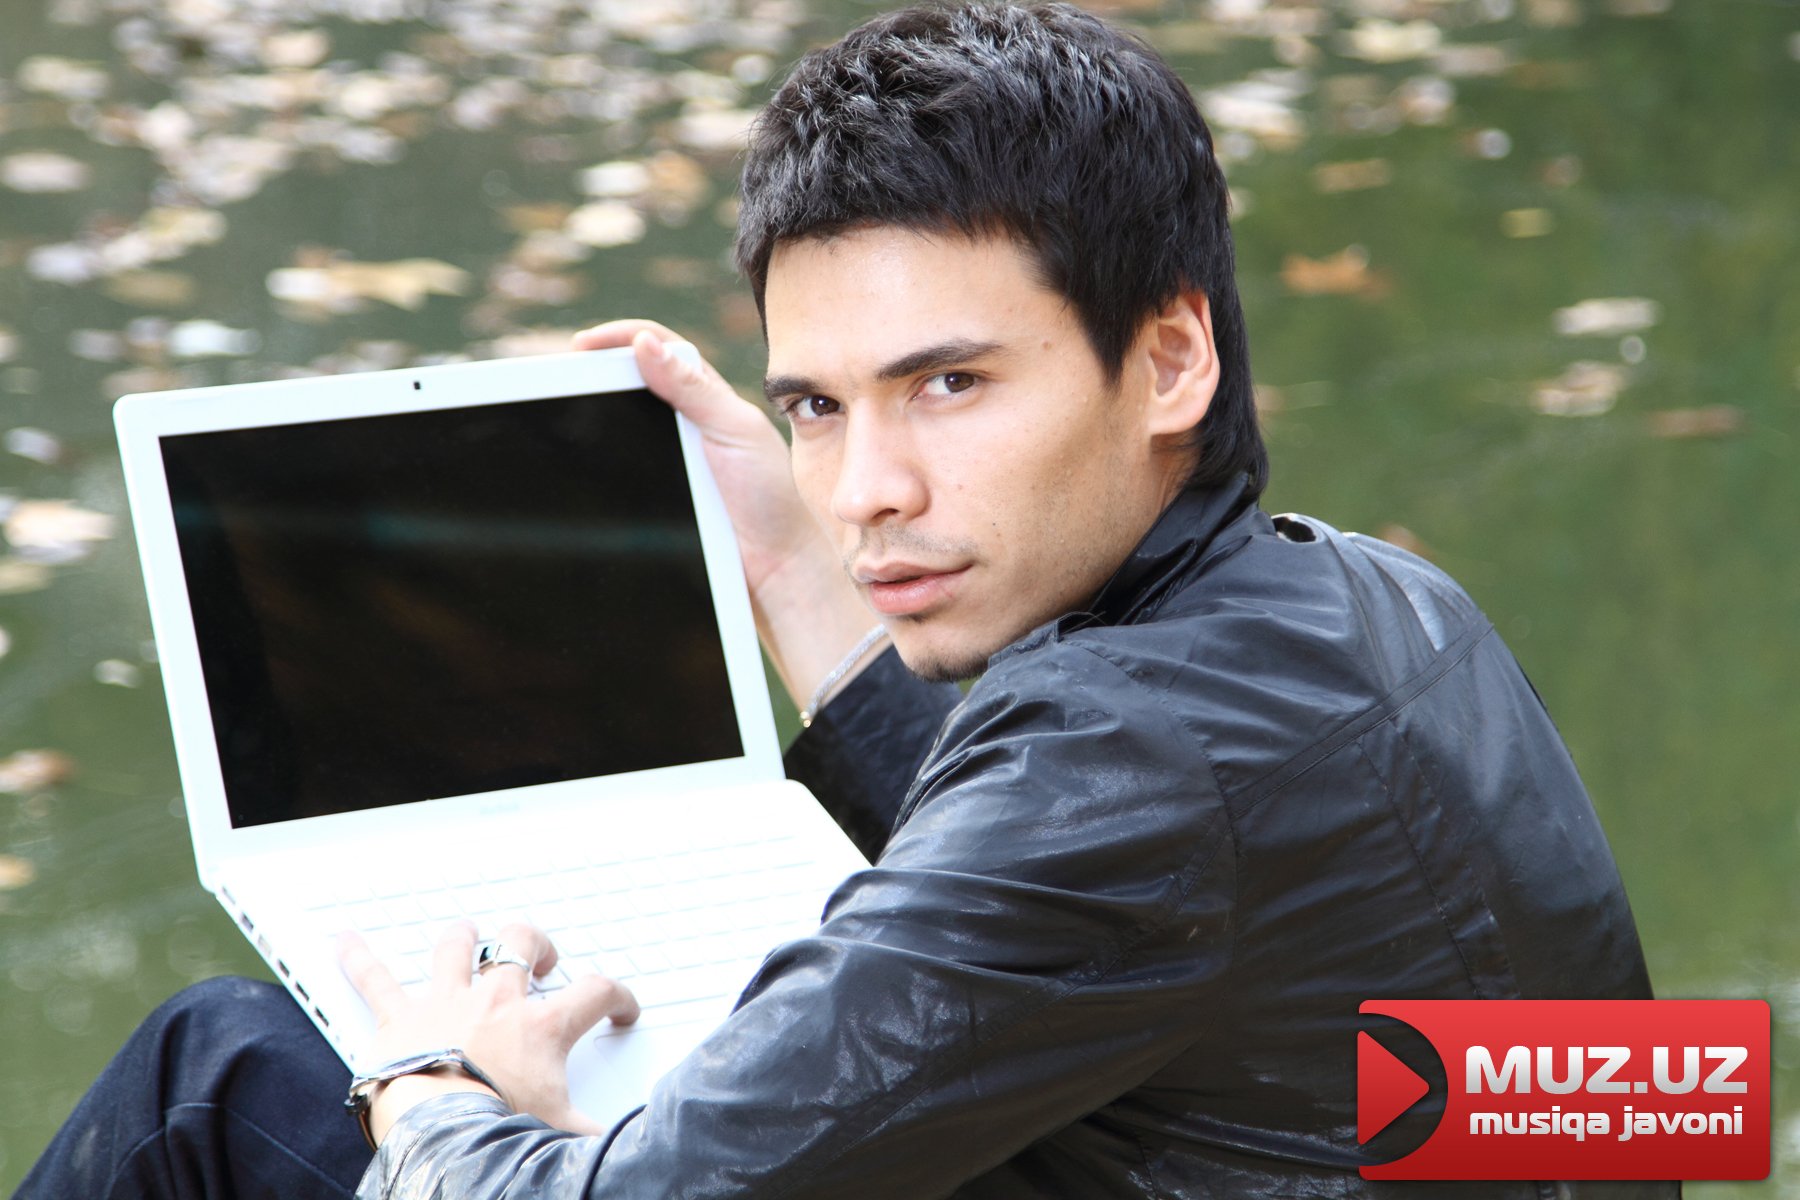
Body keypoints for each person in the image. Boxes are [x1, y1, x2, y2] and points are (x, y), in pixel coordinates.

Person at [17, 4, 1669, 1198]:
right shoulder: (1379, 603)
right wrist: (796, 578)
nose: (867, 486)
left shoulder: (1126, 768)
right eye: (816, 405)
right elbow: (1631, 1103)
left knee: (219, 1076)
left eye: (948, 383)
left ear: (1169, 358)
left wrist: (443, 1086)